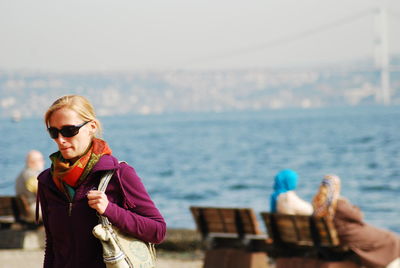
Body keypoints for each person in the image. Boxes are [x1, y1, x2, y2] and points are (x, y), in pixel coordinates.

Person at [37, 95, 166, 268]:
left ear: (91, 127)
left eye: (69, 131)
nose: (60, 139)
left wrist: (110, 210)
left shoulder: (118, 174)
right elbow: (52, 245)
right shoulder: (48, 181)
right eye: (54, 132)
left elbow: (157, 230)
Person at [312, 174, 400, 268]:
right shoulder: (338, 204)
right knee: (391, 239)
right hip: (349, 234)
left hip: (340, 235)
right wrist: (346, 202)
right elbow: (358, 216)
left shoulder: (318, 204)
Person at [15, 150, 45, 223]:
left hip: (26, 211)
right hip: (33, 209)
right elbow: (43, 193)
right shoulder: (31, 176)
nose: (43, 162)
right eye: (40, 160)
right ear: (31, 162)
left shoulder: (22, 174)